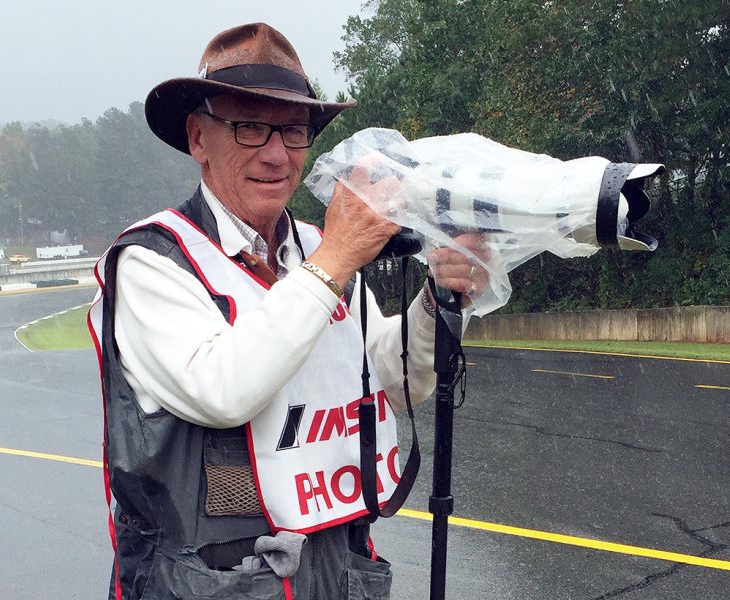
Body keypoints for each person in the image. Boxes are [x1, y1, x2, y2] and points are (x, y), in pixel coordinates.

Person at [88, 22, 482, 600]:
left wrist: (440, 299)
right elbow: (223, 389)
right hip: (210, 583)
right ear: (199, 138)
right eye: (249, 128)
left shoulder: (317, 249)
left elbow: (397, 380)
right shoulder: (150, 260)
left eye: (294, 133)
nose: (277, 155)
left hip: (337, 567)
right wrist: (338, 257)